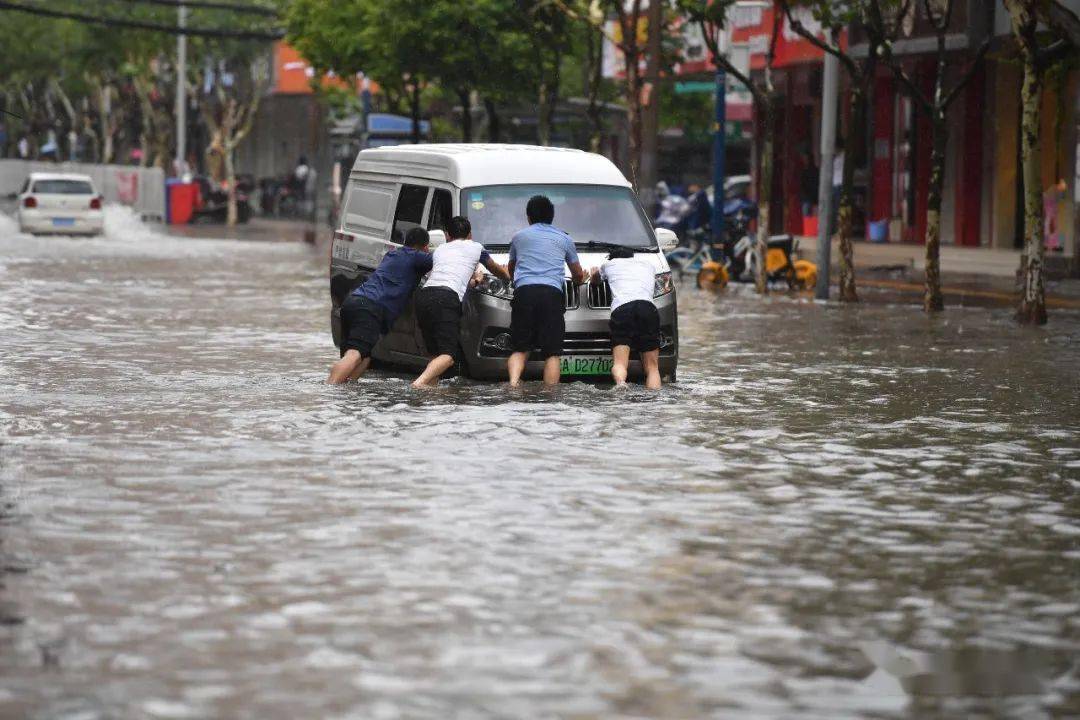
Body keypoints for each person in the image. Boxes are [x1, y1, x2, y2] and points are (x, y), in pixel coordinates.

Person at [412, 216, 510, 388]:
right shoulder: (477, 248)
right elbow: (495, 269)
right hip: (446, 298)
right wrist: (508, 275)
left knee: (435, 356)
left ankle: (430, 398)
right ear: (470, 234)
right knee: (448, 356)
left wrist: (474, 280)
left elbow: (448, 274)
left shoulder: (440, 250)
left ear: (447, 235)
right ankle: (418, 384)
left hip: (424, 296)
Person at [328, 227, 433, 384]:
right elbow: (445, 258)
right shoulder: (417, 257)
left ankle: (347, 389)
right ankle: (330, 389)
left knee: (364, 357)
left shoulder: (392, 254)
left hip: (352, 302)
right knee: (354, 355)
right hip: (369, 307)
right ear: (425, 247)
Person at [506, 195, 588, 387]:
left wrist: (516, 280)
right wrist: (579, 279)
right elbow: (577, 273)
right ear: (552, 216)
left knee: (520, 348)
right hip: (551, 294)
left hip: (524, 292)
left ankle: (513, 384)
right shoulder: (565, 238)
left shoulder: (518, 237)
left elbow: (512, 268)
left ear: (528, 217)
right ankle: (550, 395)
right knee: (552, 353)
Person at [589, 247, 662, 389]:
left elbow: (596, 280)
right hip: (647, 308)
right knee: (653, 368)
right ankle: (654, 401)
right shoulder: (649, 265)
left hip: (623, 309)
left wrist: (593, 275)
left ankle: (621, 384)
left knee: (620, 364)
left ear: (612, 258)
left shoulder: (608, 265)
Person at [799, 149, 818, 220]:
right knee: (808, 218)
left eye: (805, 159)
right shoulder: (805, 171)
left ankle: (809, 231)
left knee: (809, 218)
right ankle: (809, 231)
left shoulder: (813, 171)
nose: (804, 160)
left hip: (809, 198)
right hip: (808, 198)